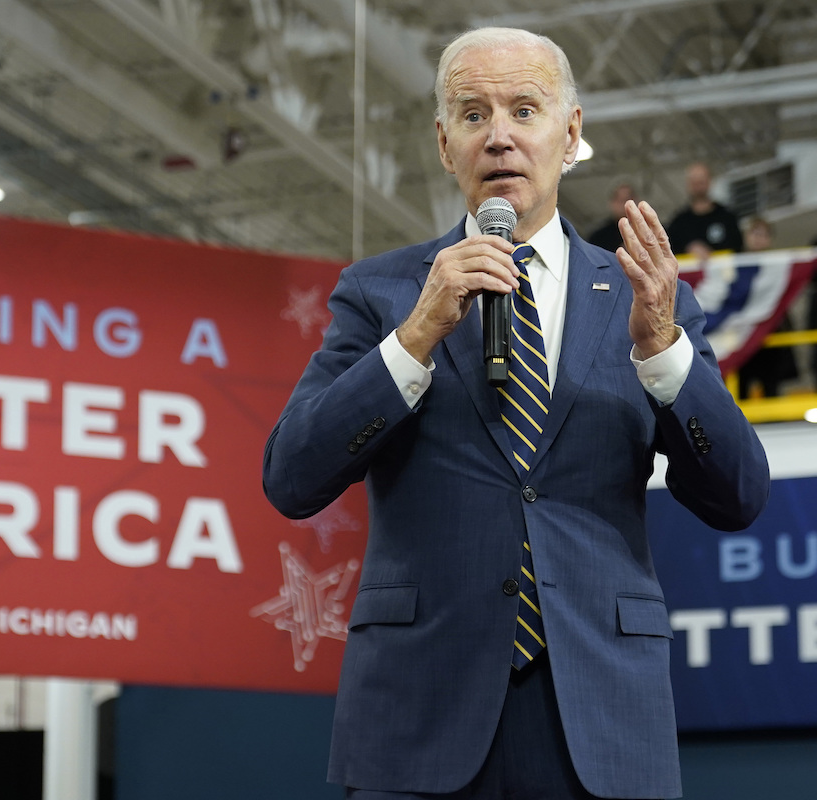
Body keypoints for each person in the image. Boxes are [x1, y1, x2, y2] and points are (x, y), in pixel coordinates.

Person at [262, 27, 769, 800]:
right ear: (445, 144)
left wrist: (664, 352)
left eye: (524, 110)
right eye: (473, 114)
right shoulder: (382, 294)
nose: (499, 135)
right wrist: (416, 335)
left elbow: (738, 495)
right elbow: (292, 476)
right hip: (420, 717)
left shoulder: (645, 297)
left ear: (570, 134)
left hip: (602, 724)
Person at [737, 217, 798, 398]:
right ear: (746, 236)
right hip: (744, 335)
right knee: (741, 390)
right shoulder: (734, 265)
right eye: (755, 233)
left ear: (770, 239)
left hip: (770, 335)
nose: (758, 238)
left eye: (763, 234)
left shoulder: (780, 266)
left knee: (771, 387)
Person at [665, 162, 744, 258]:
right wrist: (689, 249)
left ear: (710, 182)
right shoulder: (678, 223)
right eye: (694, 183)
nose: (698, 187)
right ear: (688, 184)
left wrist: (711, 254)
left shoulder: (727, 217)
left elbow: (738, 249)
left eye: (701, 182)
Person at [586, 181, 636, 251]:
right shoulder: (599, 237)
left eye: (627, 199)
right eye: (620, 200)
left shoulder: (644, 231)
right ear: (612, 203)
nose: (624, 204)